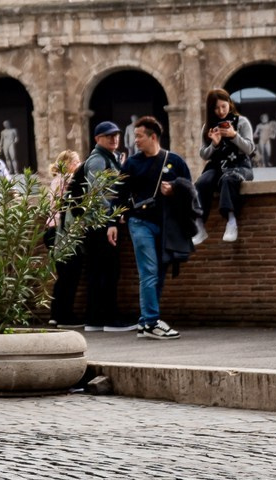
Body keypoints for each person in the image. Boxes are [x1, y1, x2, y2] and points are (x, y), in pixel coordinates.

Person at [113, 117, 193, 338]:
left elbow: (190, 191)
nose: (135, 140)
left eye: (139, 136)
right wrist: (112, 222)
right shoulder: (131, 164)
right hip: (139, 223)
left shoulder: (175, 161)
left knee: (158, 273)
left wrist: (175, 188)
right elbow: (119, 194)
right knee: (148, 272)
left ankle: (145, 321)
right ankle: (151, 322)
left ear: (153, 137)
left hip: (166, 226)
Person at [74, 122, 128, 330]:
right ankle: (107, 318)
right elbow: (96, 193)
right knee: (106, 271)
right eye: (108, 136)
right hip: (101, 223)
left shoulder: (109, 158)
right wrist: (112, 218)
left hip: (100, 222)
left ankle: (95, 319)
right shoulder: (98, 160)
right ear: (97, 139)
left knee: (100, 271)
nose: (114, 139)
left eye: (116, 135)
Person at [195, 94, 258, 244]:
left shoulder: (241, 122)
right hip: (216, 166)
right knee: (201, 183)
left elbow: (250, 148)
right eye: (216, 108)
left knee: (228, 179)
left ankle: (231, 221)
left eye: (224, 106)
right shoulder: (208, 125)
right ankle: (199, 226)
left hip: (240, 165)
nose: (221, 111)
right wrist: (214, 144)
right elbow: (203, 154)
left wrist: (234, 135)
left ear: (230, 104)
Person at [45, 148, 85, 326]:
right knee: (70, 274)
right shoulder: (67, 180)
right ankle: (64, 315)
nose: (78, 166)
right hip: (62, 231)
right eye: (76, 162)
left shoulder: (56, 181)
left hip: (52, 231)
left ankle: (56, 314)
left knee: (63, 275)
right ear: (67, 164)